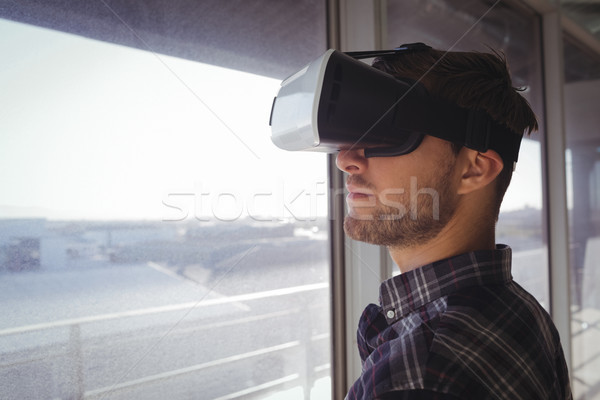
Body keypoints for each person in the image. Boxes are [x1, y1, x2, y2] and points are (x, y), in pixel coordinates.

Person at [337, 46, 572, 399]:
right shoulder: (523, 312)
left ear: (474, 168)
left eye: (388, 133)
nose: (346, 159)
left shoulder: (414, 379)